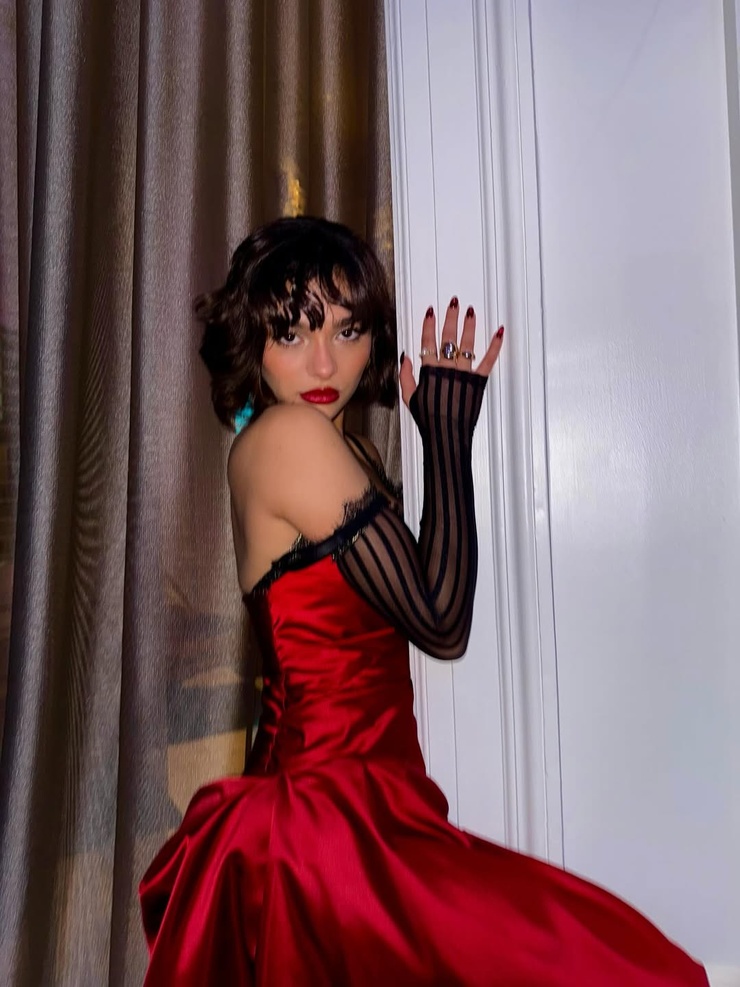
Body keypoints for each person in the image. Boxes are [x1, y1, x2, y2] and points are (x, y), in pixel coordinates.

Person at [139, 216, 707, 985]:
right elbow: (441, 621)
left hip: (367, 809)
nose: (323, 361)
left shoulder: (344, 448)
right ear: (253, 342)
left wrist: (444, 432)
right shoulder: (290, 437)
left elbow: (423, 604)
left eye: (347, 330)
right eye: (292, 332)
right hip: (328, 822)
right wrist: (443, 436)